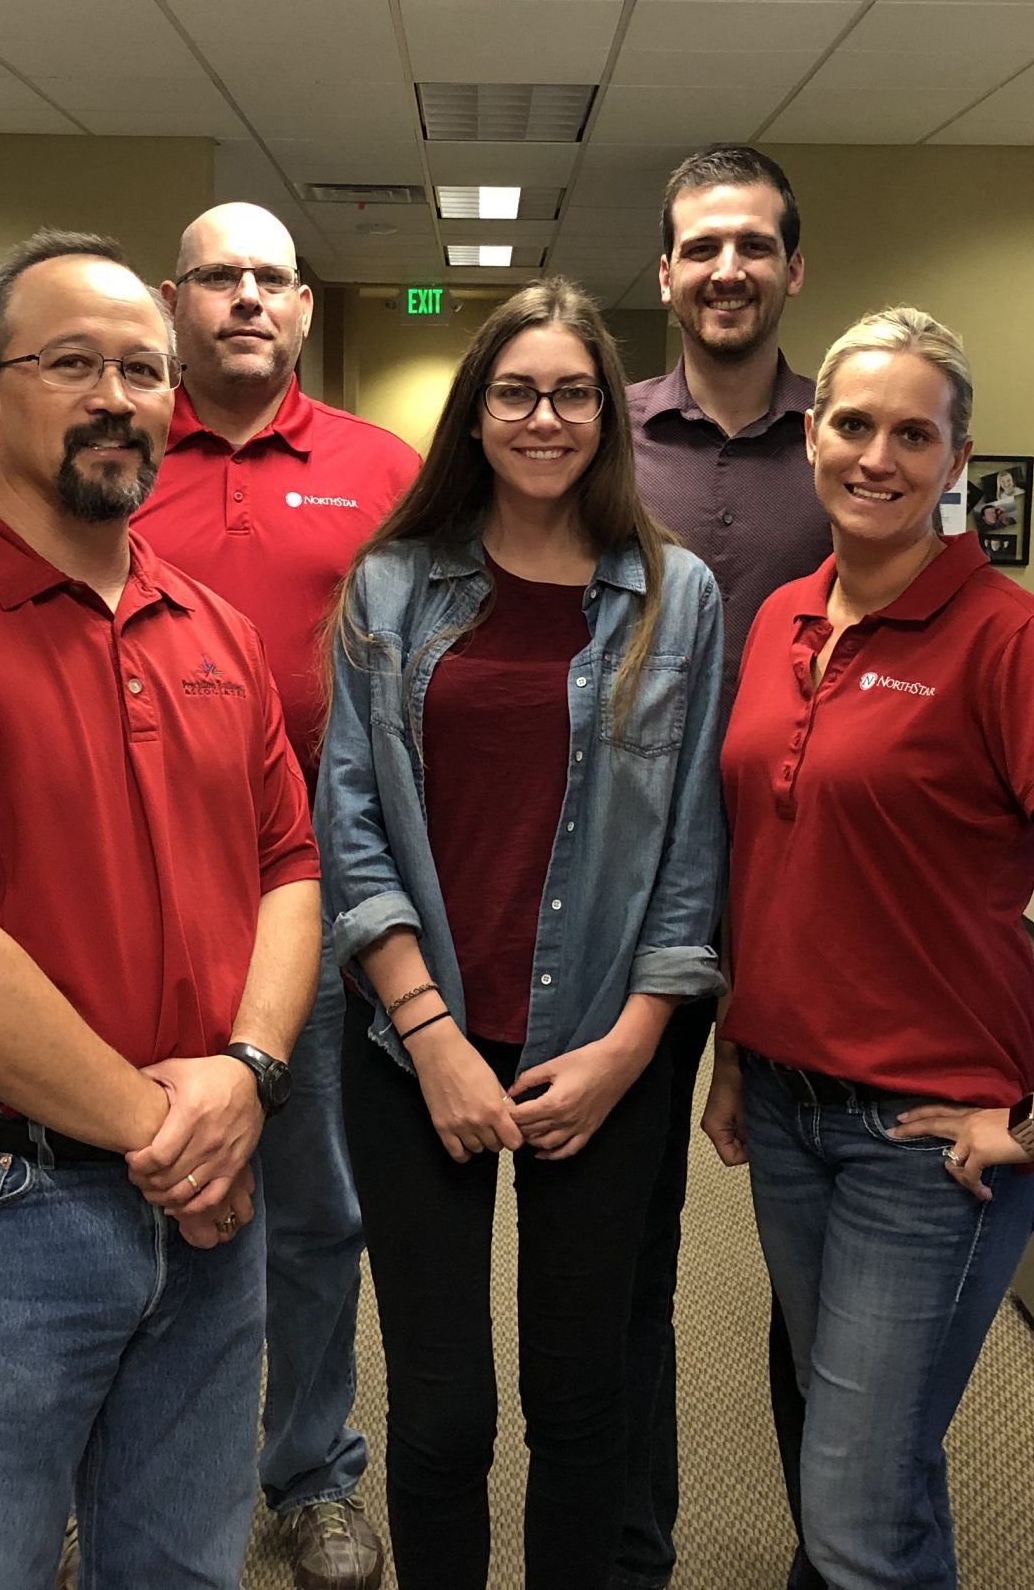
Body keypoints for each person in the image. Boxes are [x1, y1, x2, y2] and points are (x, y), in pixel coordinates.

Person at [0, 228, 323, 1590]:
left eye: (143, 371)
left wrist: (248, 1079)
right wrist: (176, 1133)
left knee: (185, 1562)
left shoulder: (208, 626)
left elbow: (291, 868)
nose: (115, 397)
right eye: (70, 364)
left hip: (212, 1176)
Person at [317, 277, 727, 1590]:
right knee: (440, 1417)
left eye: (572, 393)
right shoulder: (389, 587)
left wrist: (630, 1049)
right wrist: (428, 1032)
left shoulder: (680, 598)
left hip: (604, 1050)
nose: (544, 417)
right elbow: (352, 820)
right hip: (411, 1050)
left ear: (608, 415)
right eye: (516, 392)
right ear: (475, 416)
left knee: (583, 1403)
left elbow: (691, 862)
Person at [701, 305, 1034, 1590]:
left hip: (931, 1142)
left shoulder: (1016, 645)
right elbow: (765, 865)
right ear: (811, 435)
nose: (878, 457)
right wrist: (731, 1054)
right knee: (856, 1460)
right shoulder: (777, 619)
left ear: (956, 458)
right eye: (854, 425)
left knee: (858, 1510)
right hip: (785, 1106)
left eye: (913, 435)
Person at [132, 201, 420, 1590]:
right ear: (174, 302)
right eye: (219, 278)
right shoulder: (114, 454)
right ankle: (122, 1476)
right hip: (133, 894)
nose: (247, 298)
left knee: (315, 1208)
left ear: (305, 309)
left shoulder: (382, 469)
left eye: (271, 279)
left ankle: (312, 1473)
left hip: (318, 894)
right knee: (126, 1195)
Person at [619, 144, 835, 1590]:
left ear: (792, 269)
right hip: (632, 886)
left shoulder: (852, 438)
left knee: (814, 1243)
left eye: (753, 245)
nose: (728, 271)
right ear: (667, 273)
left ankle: (844, 1541)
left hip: (803, 882)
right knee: (628, 1252)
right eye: (703, 248)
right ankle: (634, 1547)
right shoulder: (604, 431)